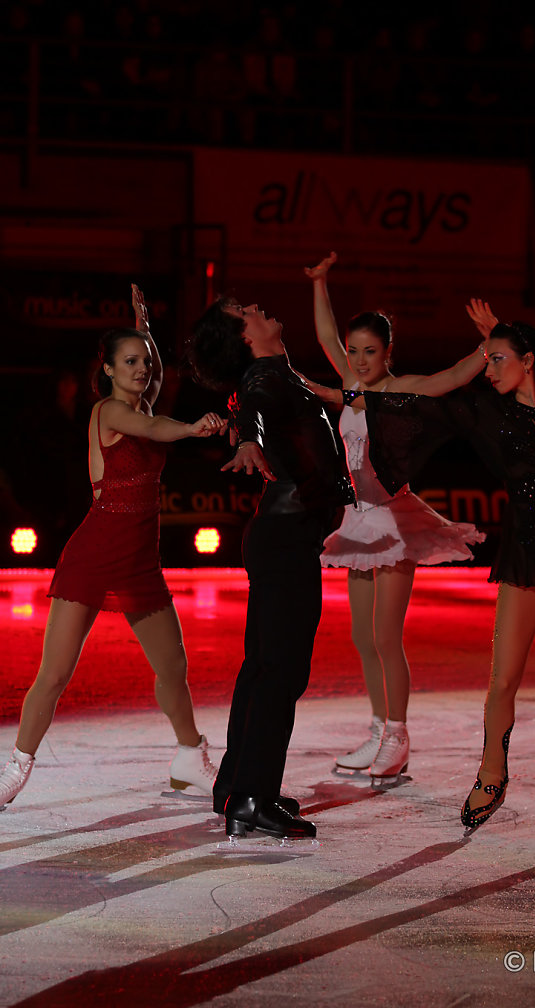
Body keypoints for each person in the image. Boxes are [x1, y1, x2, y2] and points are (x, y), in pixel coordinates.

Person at [317, 316, 535, 841]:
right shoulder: (484, 411)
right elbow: (419, 400)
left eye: (496, 359)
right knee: (503, 678)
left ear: (528, 360)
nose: (487, 370)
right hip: (526, 547)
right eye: (486, 359)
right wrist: (346, 394)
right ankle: (492, 777)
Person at [0, 286, 224, 810]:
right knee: (54, 675)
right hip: (95, 552)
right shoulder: (108, 413)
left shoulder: (145, 398)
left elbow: (158, 391)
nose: (142, 369)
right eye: (131, 362)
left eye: (146, 362)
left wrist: (146, 328)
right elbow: (153, 425)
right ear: (107, 371)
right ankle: (16, 768)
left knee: (173, 668)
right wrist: (192, 427)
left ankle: (190, 757)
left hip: (141, 560)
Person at [303, 252, 488, 785]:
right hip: (359, 518)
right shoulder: (353, 387)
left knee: (387, 636)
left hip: (394, 518)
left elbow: (453, 376)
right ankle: (379, 728)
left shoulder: (400, 389)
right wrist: (320, 284)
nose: (358, 360)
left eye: (370, 352)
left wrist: (490, 343)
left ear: (388, 354)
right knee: (363, 637)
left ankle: (400, 737)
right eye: (354, 351)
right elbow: (324, 340)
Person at [188, 298, 355, 840]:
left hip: (280, 537)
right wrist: (247, 440)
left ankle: (238, 785)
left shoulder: (276, 372)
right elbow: (255, 409)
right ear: (244, 337)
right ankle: (252, 797)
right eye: (245, 311)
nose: (258, 306)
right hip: (286, 540)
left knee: (263, 668)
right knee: (280, 671)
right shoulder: (263, 376)